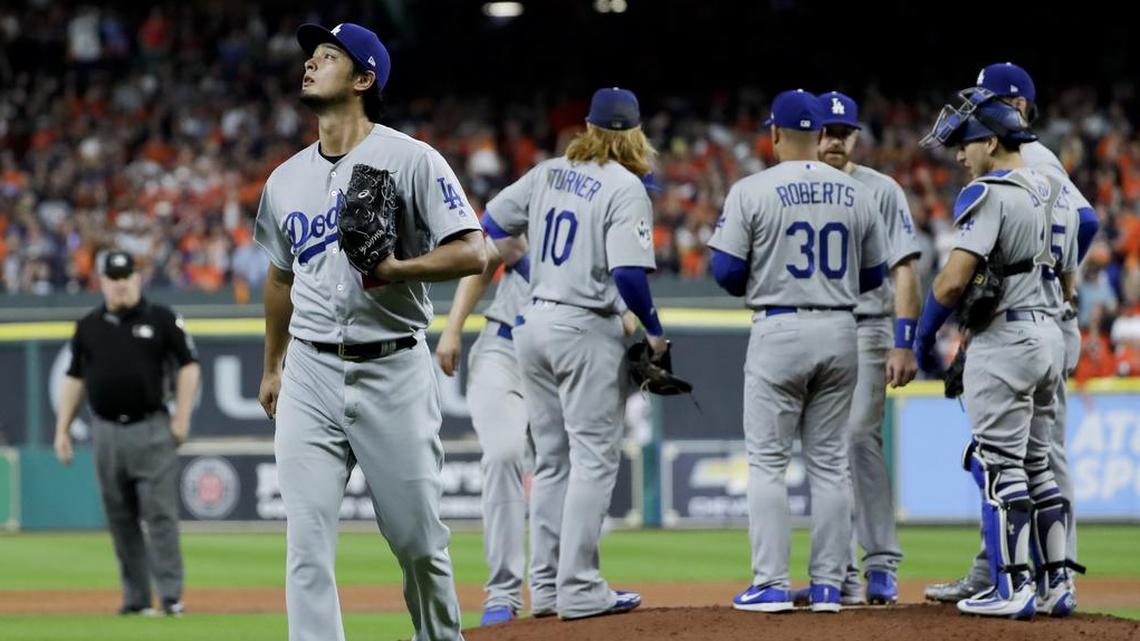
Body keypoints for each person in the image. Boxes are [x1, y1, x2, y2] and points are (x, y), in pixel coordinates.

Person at [253, 22, 486, 641]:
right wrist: (273, 365)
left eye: (328, 56)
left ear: (363, 78)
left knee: (418, 542)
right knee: (305, 545)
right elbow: (280, 280)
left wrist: (398, 269)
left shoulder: (412, 159)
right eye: (310, 55)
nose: (310, 63)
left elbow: (474, 253)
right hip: (309, 371)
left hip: (393, 368)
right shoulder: (284, 180)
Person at [481, 87, 662, 621]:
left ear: (587, 125)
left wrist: (548, 272)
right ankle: (580, 585)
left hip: (532, 322)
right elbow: (629, 273)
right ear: (633, 133)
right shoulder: (627, 186)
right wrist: (654, 331)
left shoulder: (548, 171)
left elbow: (491, 226)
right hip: (584, 326)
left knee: (552, 460)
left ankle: (548, 589)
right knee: (594, 458)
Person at [924, 64, 1097, 615]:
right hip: (1050, 331)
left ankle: (1011, 588)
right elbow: (1070, 276)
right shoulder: (1058, 189)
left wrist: (926, 334)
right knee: (1039, 464)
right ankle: (1056, 586)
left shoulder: (993, 191)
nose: (959, 156)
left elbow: (953, 282)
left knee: (1001, 468)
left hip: (1008, 337)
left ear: (991, 140)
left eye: (966, 145)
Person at [708, 89, 888, 614]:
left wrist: (770, 268)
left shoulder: (752, 188)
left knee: (767, 463)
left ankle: (769, 583)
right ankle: (830, 585)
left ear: (775, 134)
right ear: (821, 137)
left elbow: (725, 271)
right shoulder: (856, 191)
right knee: (830, 465)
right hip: (841, 328)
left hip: (780, 325)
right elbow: (874, 272)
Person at [798, 91, 922, 606]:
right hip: (810, 329)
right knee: (823, 454)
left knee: (856, 441)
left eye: (843, 132)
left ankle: (880, 565)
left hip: (868, 327)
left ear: (855, 137)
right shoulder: (793, 188)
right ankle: (837, 570)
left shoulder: (882, 190)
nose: (833, 141)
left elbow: (905, 269)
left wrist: (904, 341)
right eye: (826, 131)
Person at [53, 249, 200, 617]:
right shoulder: (88, 326)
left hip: (151, 427)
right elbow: (75, 377)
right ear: (102, 281)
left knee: (160, 515)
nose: (119, 284)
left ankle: (170, 598)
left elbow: (189, 366)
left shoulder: (161, 318)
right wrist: (63, 429)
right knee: (120, 518)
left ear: (137, 278)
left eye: (125, 277)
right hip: (105, 431)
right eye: (112, 278)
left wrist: (181, 417)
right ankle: (135, 599)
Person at [435, 233, 532, 626]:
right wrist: (453, 327)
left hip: (568, 355)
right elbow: (486, 256)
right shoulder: (538, 194)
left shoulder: (616, 219)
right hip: (504, 345)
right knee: (505, 453)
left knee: (560, 467)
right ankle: (503, 593)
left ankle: (557, 586)